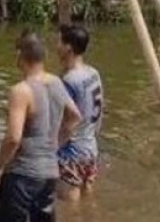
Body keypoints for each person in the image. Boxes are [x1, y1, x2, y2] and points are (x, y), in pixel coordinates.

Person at [0, 32, 82, 222]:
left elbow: (13, 138)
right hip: (48, 174)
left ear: (19, 56)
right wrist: (55, 144)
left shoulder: (20, 91)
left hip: (22, 176)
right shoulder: (56, 82)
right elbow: (75, 117)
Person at [56, 25, 104, 201]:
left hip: (72, 152)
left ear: (68, 48)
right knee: (88, 202)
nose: (56, 46)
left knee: (70, 209)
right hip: (90, 149)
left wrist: (53, 147)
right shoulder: (93, 73)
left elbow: (69, 122)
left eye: (59, 42)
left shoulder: (68, 80)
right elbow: (100, 112)